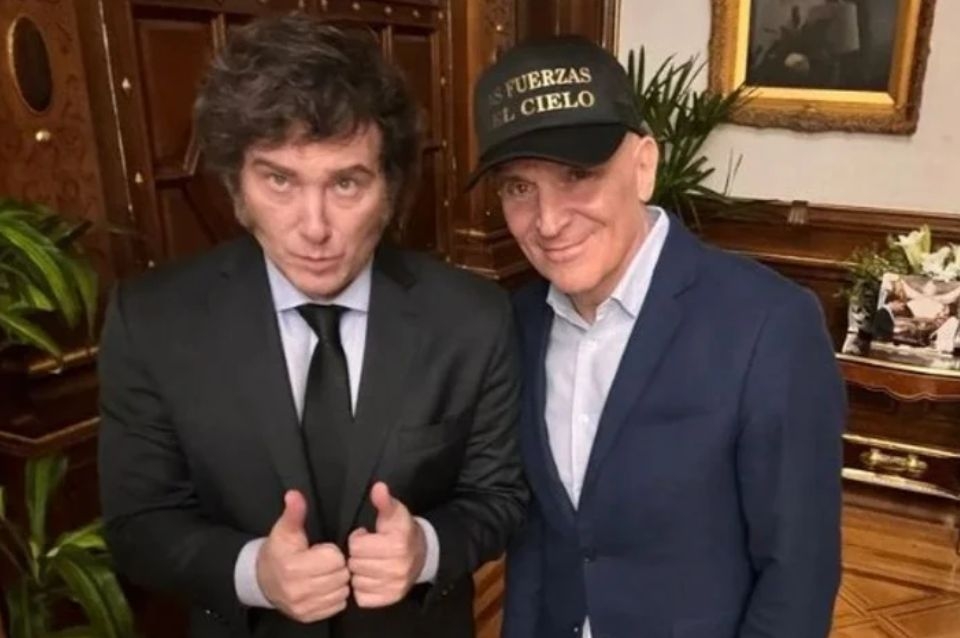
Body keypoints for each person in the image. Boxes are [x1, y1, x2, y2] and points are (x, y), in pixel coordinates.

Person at [97, 14, 527, 638]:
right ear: (237, 184)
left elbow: (500, 498)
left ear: (390, 189)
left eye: (346, 182)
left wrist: (427, 549)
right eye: (279, 179)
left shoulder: (473, 318)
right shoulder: (150, 320)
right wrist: (253, 573)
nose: (314, 227)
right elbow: (138, 525)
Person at [467, 35, 847, 638]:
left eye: (578, 174)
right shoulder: (518, 323)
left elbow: (797, 571)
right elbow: (539, 536)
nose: (549, 221)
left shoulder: (770, 326)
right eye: (519, 187)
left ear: (644, 166)